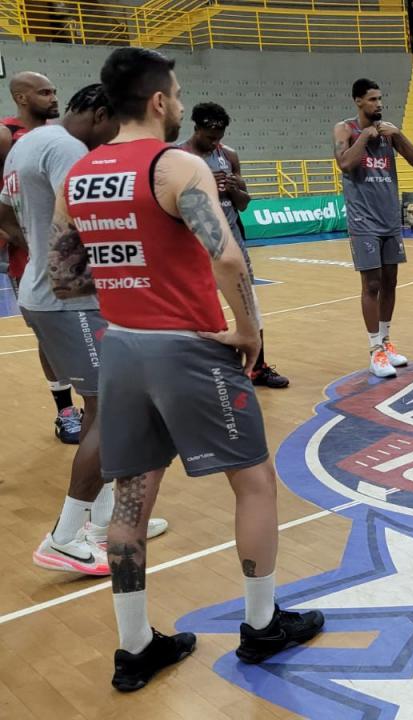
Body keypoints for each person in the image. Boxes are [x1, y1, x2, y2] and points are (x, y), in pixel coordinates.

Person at [53, 47, 323, 692]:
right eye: (174, 94)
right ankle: (261, 627)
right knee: (254, 483)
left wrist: (129, 275)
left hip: (120, 347)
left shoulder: (82, 174)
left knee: (130, 502)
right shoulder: (176, 164)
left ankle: (135, 647)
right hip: (190, 347)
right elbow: (227, 258)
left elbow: (64, 278)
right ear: (157, 101)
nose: (177, 103)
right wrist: (251, 330)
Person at [1, 83, 169, 575]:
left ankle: (99, 522)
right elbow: (86, 223)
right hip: (69, 300)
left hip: (43, 294)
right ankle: (65, 535)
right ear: (99, 115)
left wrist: (31, 248)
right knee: (108, 412)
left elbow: (7, 210)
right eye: (114, 126)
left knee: (104, 406)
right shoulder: (68, 149)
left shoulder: (28, 143)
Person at [178, 102, 288, 389]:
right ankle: (199, 374)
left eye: (219, 137)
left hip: (232, 244)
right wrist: (204, 186)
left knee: (250, 305)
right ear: (197, 128)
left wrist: (233, 188)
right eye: (209, 136)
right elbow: (171, 204)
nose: (215, 142)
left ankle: (258, 367)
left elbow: (244, 203)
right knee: (198, 312)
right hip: (194, 245)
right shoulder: (178, 156)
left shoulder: (228, 155)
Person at [1, 71, 82, 442]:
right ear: (20, 97)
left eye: (54, 90)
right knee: (48, 335)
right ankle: (65, 410)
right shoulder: (6, 135)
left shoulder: (63, 136)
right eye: (44, 92)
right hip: (28, 254)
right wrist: (29, 243)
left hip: (72, 254)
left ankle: (99, 402)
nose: (53, 97)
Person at [332, 78, 413, 379]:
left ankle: (386, 342)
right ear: (358, 101)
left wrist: (398, 134)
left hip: (388, 219)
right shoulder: (345, 129)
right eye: (372, 99)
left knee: (390, 282)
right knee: (371, 285)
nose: (379, 104)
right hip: (363, 220)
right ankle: (375, 351)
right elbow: (346, 164)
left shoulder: (389, 132)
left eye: (380, 99)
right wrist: (366, 136)